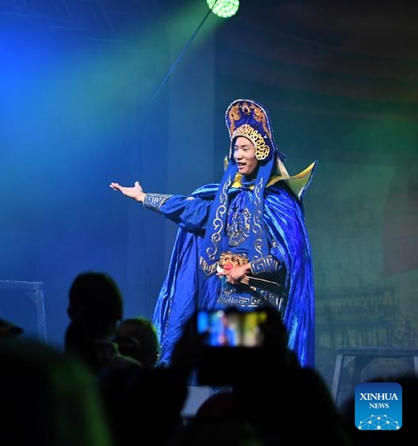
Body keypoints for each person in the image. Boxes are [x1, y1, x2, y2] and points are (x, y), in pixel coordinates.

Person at [110, 98, 316, 368]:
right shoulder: (226, 197)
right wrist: (143, 197)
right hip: (226, 301)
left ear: (261, 151)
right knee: (221, 376)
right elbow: (191, 210)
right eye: (235, 149)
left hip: (261, 307)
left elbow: (286, 257)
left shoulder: (278, 202)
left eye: (245, 148)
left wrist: (248, 268)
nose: (238, 155)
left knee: (251, 380)